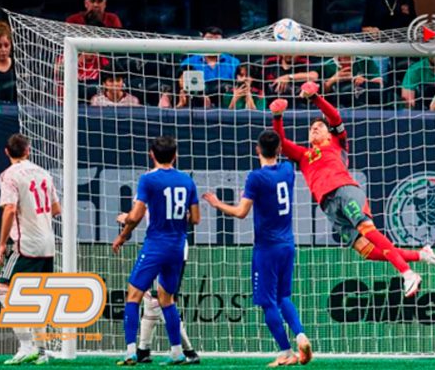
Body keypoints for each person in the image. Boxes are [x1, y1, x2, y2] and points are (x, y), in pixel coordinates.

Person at [270, 82, 435, 298]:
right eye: (311, 128)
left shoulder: (337, 144)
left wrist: (315, 98)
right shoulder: (304, 155)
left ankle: (407, 273)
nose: (314, 128)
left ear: (329, 135)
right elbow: (279, 143)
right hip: (329, 206)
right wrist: (277, 117)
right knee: (368, 251)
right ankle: (421, 255)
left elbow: (334, 117)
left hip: (344, 190)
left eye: (319, 127)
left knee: (368, 230)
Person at [203, 130, 312, 367]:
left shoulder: (256, 177)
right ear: (280, 150)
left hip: (266, 248)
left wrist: (216, 203)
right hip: (287, 244)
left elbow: (241, 212)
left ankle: (286, 351)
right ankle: (301, 334)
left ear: (257, 150)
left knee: (266, 301)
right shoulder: (287, 171)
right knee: (283, 296)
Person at [112, 136, 200, 365]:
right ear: (175, 155)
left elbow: (137, 215)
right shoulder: (187, 181)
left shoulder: (148, 180)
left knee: (133, 295)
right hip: (178, 246)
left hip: (156, 244)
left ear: (152, 154)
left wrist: (125, 218)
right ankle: (177, 352)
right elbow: (196, 219)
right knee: (166, 299)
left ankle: (131, 351)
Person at [0, 134, 61, 365]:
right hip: (48, 243)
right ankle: (41, 352)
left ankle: (26, 346)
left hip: (26, 244)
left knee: (3, 290)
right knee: (38, 296)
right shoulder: (44, 172)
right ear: (28, 150)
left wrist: (3, 243)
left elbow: (10, 209)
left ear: (7, 152)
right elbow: (56, 209)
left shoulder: (9, 175)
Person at [115, 211, 199, 364]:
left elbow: (136, 215)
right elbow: (192, 218)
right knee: (153, 300)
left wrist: (126, 223)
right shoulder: (185, 187)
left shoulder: (150, 186)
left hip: (158, 247)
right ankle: (144, 350)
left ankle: (187, 351)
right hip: (177, 247)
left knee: (157, 300)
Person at [178, 27, 240, 108]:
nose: (213, 43)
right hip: (197, 105)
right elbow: (183, 86)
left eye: (217, 40)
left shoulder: (234, 62)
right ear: (202, 40)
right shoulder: (188, 62)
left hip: (227, 105)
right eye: (209, 39)